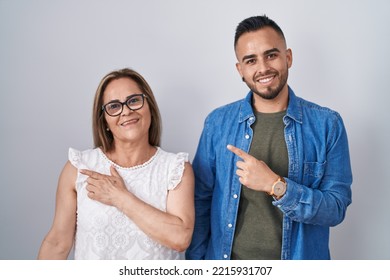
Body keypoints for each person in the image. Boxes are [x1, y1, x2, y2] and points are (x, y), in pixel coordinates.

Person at [185, 15, 352, 260]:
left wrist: (276, 186)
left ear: (288, 57)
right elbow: (200, 202)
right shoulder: (217, 123)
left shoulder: (328, 124)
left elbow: (335, 209)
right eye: (251, 60)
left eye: (271, 55)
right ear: (240, 70)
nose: (263, 68)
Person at [38, 68, 195, 260]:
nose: (126, 111)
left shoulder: (176, 169)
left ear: (150, 107)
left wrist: (119, 197)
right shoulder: (80, 168)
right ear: (104, 120)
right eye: (114, 106)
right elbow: (57, 243)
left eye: (134, 100)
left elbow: (179, 238)